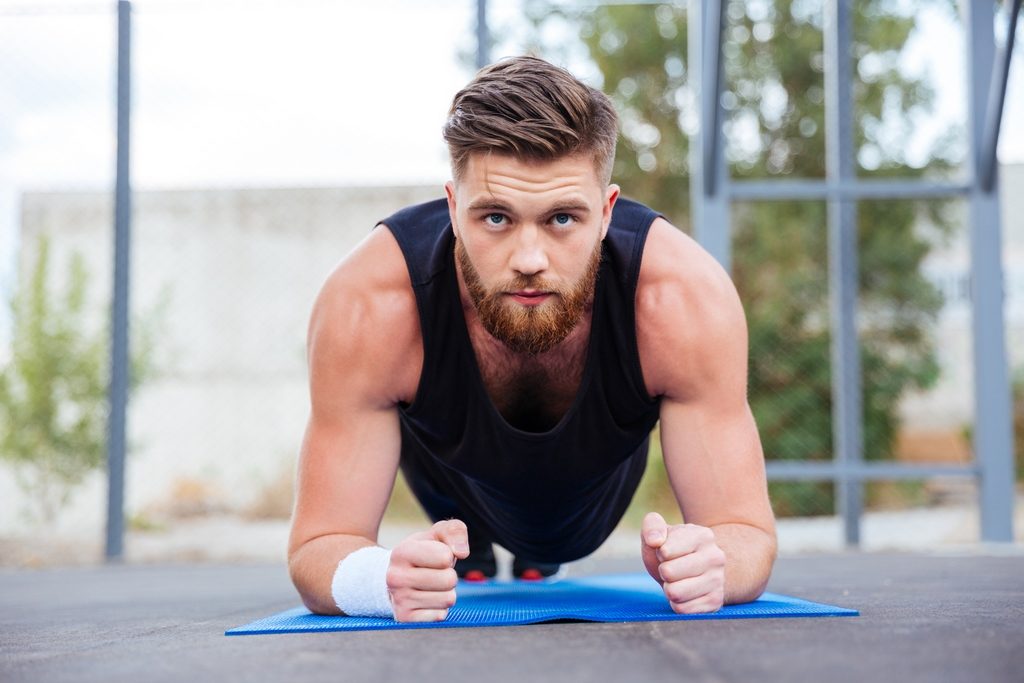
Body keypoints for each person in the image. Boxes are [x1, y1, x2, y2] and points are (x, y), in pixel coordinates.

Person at [287, 56, 776, 623]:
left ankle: (533, 556)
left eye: (563, 219)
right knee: (427, 410)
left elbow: (745, 533)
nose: (528, 261)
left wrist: (712, 564)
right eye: (495, 217)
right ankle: (472, 546)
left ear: (607, 212)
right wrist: (382, 579)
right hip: (450, 466)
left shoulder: (681, 298)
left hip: (587, 491)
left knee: (550, 543)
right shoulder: (369, 304)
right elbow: (319, 543)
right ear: (452, 207)